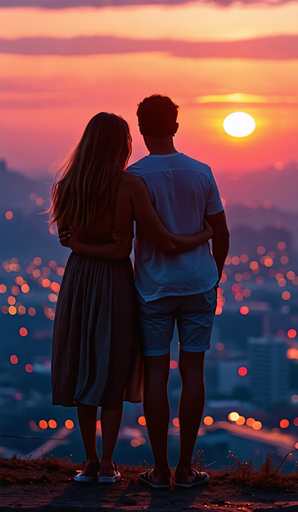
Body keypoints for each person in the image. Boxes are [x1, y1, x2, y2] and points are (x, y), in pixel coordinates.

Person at [49, 112, 212, 484]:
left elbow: (67, 238)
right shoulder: (128, 185)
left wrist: (79, 244)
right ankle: (107, 464)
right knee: (112, 367)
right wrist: (202, 237)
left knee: (84, 364)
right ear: (122, 144)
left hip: (78, 280)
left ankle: (89, 462)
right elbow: (132, 248)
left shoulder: (65, 186)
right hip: (113, 283)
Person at [123, 95, 230, 489]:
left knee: (156, 371)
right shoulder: (202, 172)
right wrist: (212, 274)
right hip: (198, 283)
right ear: (176, 127)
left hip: (153, 287)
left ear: (141, 129)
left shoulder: (134, 177)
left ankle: (160, 470)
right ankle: (186, 470)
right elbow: (222, 233)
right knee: (193, 370)